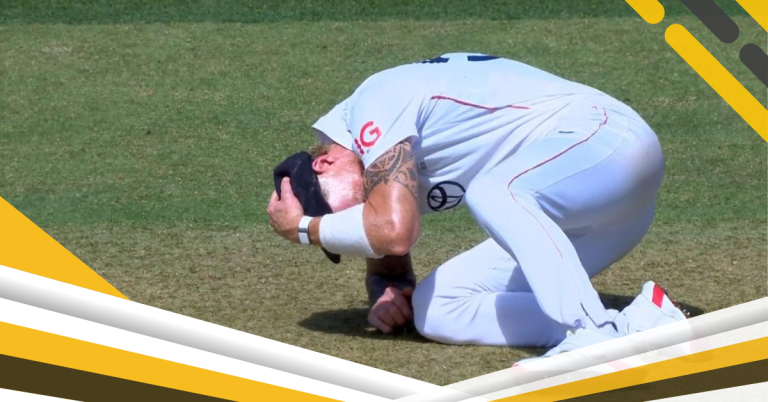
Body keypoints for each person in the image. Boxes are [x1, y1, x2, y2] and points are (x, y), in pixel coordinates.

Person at [266, 53, 688, 360]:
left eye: (335, 211)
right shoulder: (374, 163)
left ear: (325, 162)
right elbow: (388, 252)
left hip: (609, 140)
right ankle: (638, 324)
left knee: (492, 191)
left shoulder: (370, 105)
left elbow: (393, 232)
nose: (347, 220)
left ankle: (588, 330)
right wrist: (386, 290)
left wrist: (303, 229)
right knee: (439, 308)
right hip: (601, 218)